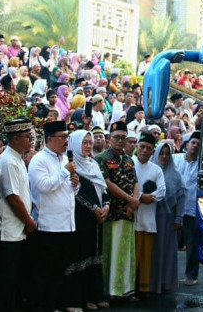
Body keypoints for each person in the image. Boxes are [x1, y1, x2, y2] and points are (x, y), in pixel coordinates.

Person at [28, 120, 80, 312]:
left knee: (60, 269)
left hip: (66, 224)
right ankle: (43, 305)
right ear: (49, 139)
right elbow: (44, 186)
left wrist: (75, 183)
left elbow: (67, 192)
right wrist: (65, 173)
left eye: (67, 137)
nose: (67, 141)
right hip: (48, 225)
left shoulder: (64, 159)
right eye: (63, 137)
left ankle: (56, 304)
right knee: (45, 270)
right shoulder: (39, 160)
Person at [0, 118, 37, 311]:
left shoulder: (16, 158)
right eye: (27, 137)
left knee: (15, 282)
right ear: (16, 139)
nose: (31, 141)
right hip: (7, 232)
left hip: (17, 231)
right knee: (4, 285)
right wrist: (29, 221)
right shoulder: (8, 161)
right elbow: (13, 198)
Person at [66, 130, 110, 311]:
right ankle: (80, 298)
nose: (88, 146)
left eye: (90, 142)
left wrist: (106, 206)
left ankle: (95, 294)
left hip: (98, 219)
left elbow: (103, 189)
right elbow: (76, 194)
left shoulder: (92, 164)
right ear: (75, 144)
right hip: (81, 218)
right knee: (81, 256)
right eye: (84, 142)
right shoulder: (71, 167)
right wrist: (94, 209)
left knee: (95, 255)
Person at [95, 120, 139, 301]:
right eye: (116, 137)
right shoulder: (102, 159)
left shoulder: (129, 160)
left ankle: (126, 290)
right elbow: (107, 184)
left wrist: (134, 202)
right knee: (110, 253)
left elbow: (135, 182)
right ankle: (109, 291)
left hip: (127, 213)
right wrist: (130, 200)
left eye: (123, 137)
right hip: (111, 214)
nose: (120, 141)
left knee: (126, 253)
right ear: (109, 139)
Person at [131, 132, 165, 298]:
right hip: (130, 218)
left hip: (148, 218)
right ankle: (130, 287)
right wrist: (139, 197)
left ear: (153, 152)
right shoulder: (129, 164)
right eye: (142, 147)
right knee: (132, 255)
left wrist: (148, 198)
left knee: (146, 255)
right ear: (137, 146)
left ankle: (144, 288)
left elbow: (162, 190)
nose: (144, 150)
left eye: (149, 148)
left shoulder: (156, 169)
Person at [149, 140, 185, 294]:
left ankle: (164, 283)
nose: (164, 157)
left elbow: (181, 197)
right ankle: (150, 283)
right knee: (152, 251)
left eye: (167, 154)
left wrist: (179, 218)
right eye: (161, 154)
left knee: (166, 251)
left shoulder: (175, 175)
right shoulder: (150, 171)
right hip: (150, 217)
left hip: (167, 219)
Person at [173, 130, 201, 286]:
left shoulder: (202, 164)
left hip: (191, 208)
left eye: (198, 144)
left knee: (192, 244)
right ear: (187, 144)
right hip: (174, 207)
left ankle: (191, 275)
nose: (195, 146)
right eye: (193, 143)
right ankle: (167, 275)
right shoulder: (176, 159)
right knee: (169, 243)